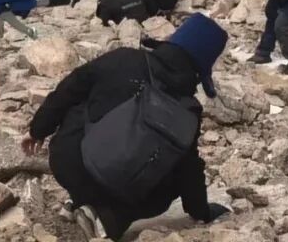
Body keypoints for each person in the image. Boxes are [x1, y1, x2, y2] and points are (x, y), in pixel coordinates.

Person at [22, 14, 231, 239]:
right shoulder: (188, 110)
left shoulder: (123, 58)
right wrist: (203, 212)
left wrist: (38, 129)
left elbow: (70, 88)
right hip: (121, 191)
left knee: (84, 108)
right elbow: (189, 172)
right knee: (173, 178)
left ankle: (82, 199)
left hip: (69, 163)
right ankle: (110, 219)